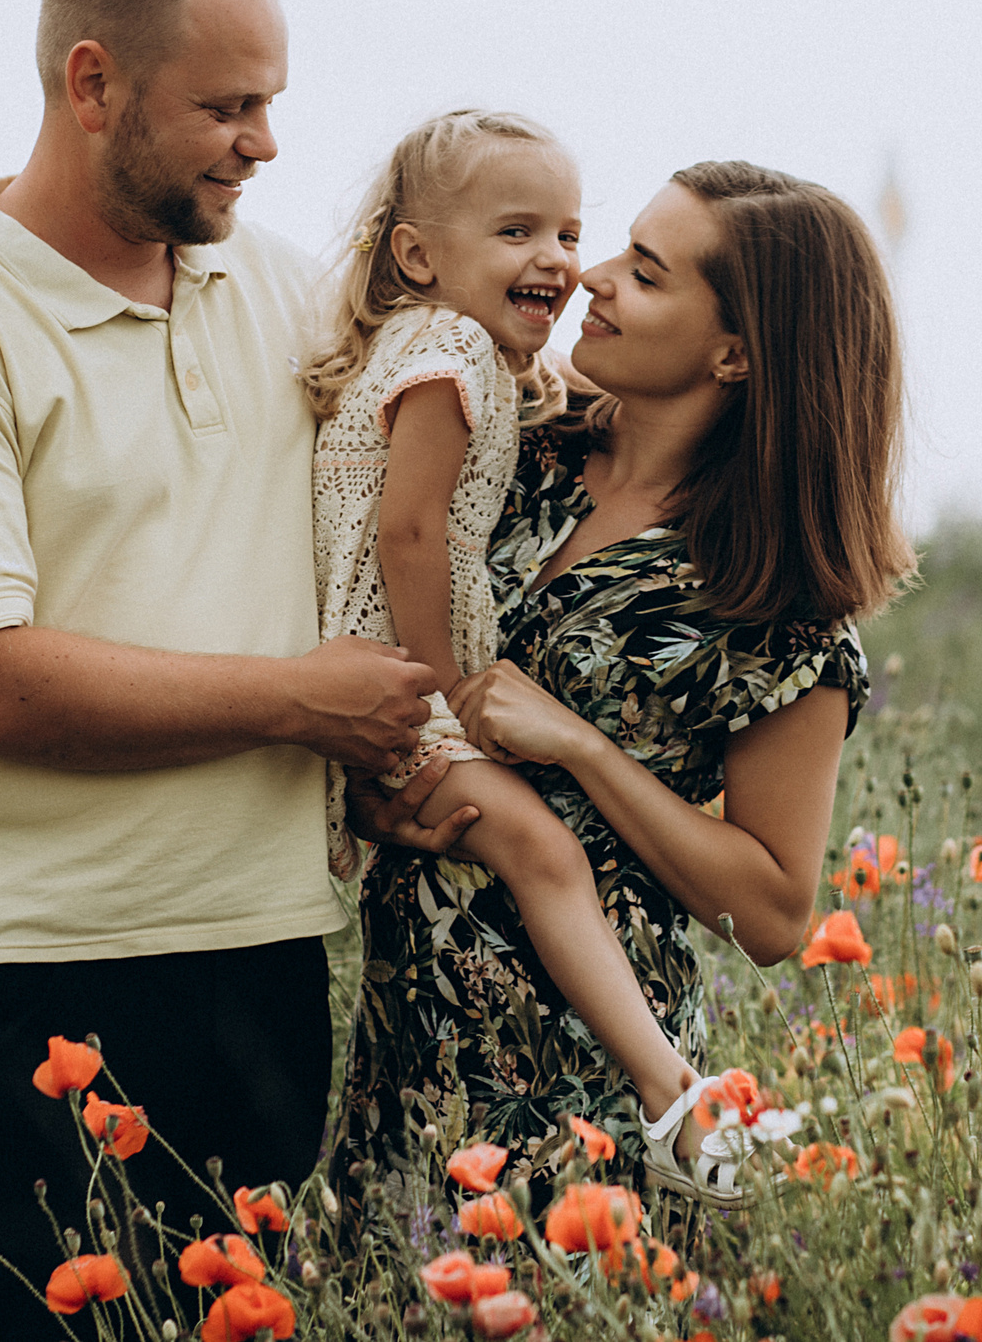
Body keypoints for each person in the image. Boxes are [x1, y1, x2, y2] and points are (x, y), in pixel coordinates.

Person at [0, 0, 440, 1340]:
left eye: (270, 101)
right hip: (36, 983)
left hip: (271, 960)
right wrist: (300, 700)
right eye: (226, 105)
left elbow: (459, 415)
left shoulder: (282, 289)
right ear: (92, 85)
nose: (264, 141)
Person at [338, 159, 916, 1202]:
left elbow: (775, 916)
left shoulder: (776, 607)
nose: (590, 276)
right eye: (618, 249)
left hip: (583, 1093)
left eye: (645, 274)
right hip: (400, 1043)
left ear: (735, 352)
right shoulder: (517, 452)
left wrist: (582, 747)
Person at [299, 110, 747, 1199]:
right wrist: (434, 694)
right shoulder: (455, 359)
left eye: (573, 233)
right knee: (545, 850)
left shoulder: (461, 361)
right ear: (417, 254)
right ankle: (675, 1093)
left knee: (540, 852)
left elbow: (774, 910)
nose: (566, 264)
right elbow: (408, 533)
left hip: (546, 1091)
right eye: (519, 232)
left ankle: (664, 1092)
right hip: (394, 691)